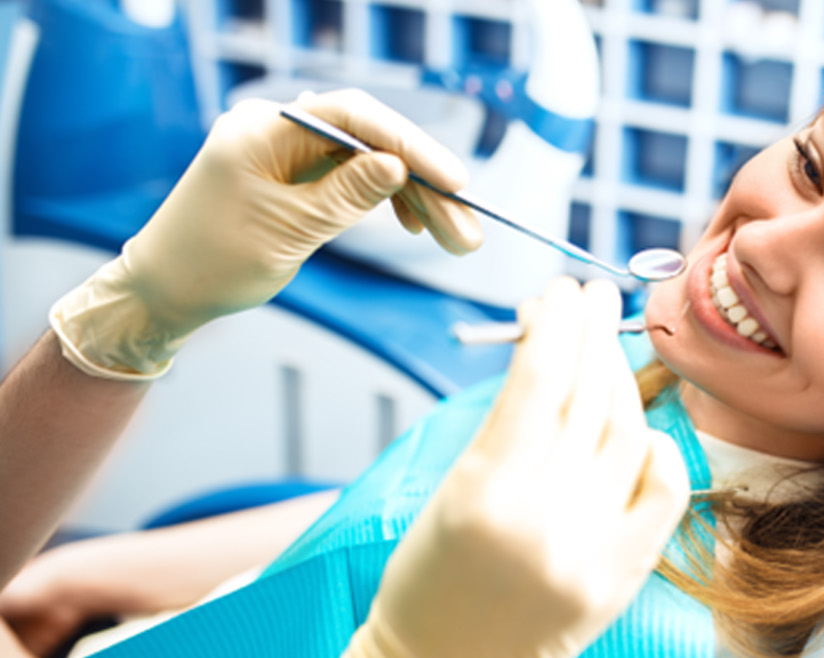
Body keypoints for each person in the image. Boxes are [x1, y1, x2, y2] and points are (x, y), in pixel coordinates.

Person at [3, 45, 824, 658]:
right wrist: (127, 348)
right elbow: (395, 506)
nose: (771, 239)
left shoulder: (711, 635)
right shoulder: (642, 374)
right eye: (813, 162)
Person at [0, 90, 688, 657]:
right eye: (803, 166)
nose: (759, 249)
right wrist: (135, 311)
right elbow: (379, 510)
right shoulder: (642, 364)